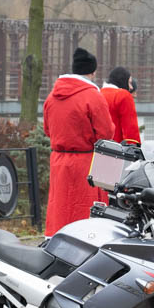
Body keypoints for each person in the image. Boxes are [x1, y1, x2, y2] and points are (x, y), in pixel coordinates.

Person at [43, 47, 114, 236]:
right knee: (86, 209)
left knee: (61, 207)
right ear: (92, 71)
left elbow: (48, 130)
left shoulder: (51, 97)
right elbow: (106, 133)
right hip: (87, 162)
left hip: (59, 162)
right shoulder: (92, 96)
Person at [101, 66, 140, 144]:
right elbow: (131, 130)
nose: (131, 87)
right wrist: (135, 148)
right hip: (116, 150)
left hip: (97, 150)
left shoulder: (98, 93)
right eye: (129, 82)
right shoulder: (123, 95)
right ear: (122, 81)